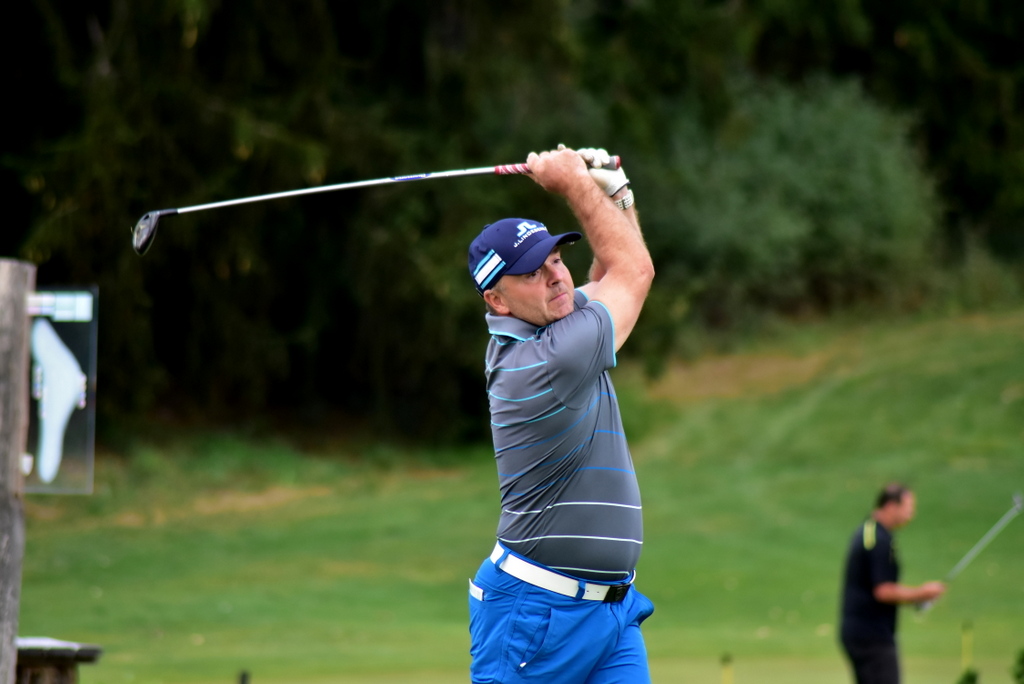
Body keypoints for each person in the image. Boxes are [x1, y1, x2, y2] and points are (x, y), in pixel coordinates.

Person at [465, 145, 656, 684]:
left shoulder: (553, 326)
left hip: (611, 613)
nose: (556, 277)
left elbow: (613, 267)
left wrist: (614, 195)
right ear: (498, 301)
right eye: (532, 272)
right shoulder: (546, 361)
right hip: (536, 617)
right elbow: (634, 272)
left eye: (555, 258)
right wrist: (573, 183)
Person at [839, 483, 946, 684]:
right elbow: (883, 591)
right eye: (908, 507)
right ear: (890, 506)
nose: (911, 514)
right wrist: (922, 593)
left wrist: (917, 598)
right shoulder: (877, 539)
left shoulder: (872, 532)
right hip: (871, 635)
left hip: (864, 633)